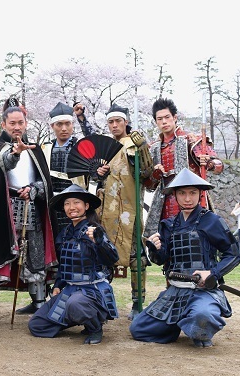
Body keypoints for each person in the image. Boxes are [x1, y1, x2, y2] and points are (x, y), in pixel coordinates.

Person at [129, 168, 240, 348]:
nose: (187, 198)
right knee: (138, 329)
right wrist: (154, 249)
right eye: (182, 193)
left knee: (203, 316)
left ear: (200, 194)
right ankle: (176, 324)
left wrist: (212, 273)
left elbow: (234, 255)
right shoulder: (168, 224)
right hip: (175, 291)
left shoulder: (212, 221)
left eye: (192, 193)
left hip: (203, 290)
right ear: (174, 195)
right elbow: (161, 260)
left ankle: (198, 327)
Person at [0, 101, 57, 319]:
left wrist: (33, 190)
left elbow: (45, 183)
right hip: (1, 211)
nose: (17, 127)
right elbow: (5, 163)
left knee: (34, 253)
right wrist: (15, 153)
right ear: (3, 124)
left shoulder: (35, 150)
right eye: (12, 123)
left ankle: (38, 302)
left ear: (26, 124)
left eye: (20, 123)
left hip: (30, 207)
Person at [28, 184, 119, 345]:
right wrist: (58, 284)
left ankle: (95, 326)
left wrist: (99, 242)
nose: (72, 207)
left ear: (86, 206)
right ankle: (77, 317)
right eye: (67, 203)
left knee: (75, 304)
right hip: (70, 289)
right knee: (37, 325)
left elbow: (112, 258)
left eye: (76, 202)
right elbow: (67, 263)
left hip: (92, 290)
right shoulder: (65, 233)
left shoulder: (95, 230)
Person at [96, 104, 153, 320]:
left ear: (125, 121)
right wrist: (98, 172)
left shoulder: (133, 144)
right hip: (107, 209)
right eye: (110, 122)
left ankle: (138, 302)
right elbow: (97, 178)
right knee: (103, 255)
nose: (114, 125)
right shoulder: (105, 146)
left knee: (136, 257)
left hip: (130, 207)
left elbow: (147, 173)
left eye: (117, 121)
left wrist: (143, 148)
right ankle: (103, 300)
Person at [143, 98, 224, 240]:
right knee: (167, 239)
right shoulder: (153, 147)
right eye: (160, 119)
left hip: (191, 198)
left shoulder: (190, 139)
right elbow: (149, 185)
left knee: (196, 239)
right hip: (164, 201)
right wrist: (156, 174)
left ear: (175, 118)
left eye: (167, 117)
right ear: (156, 122)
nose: (164, 122)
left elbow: (219, 166)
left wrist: (208, 162)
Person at [41, 101, 94, 234]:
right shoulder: (45, 148)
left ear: (72, 125)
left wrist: (82, 118)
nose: (64, 128)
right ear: (52, 126)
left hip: (76, 204)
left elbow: (95, 141)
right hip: (52, 203)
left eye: (67, 123)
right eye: (59, 124)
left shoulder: (81, 146)